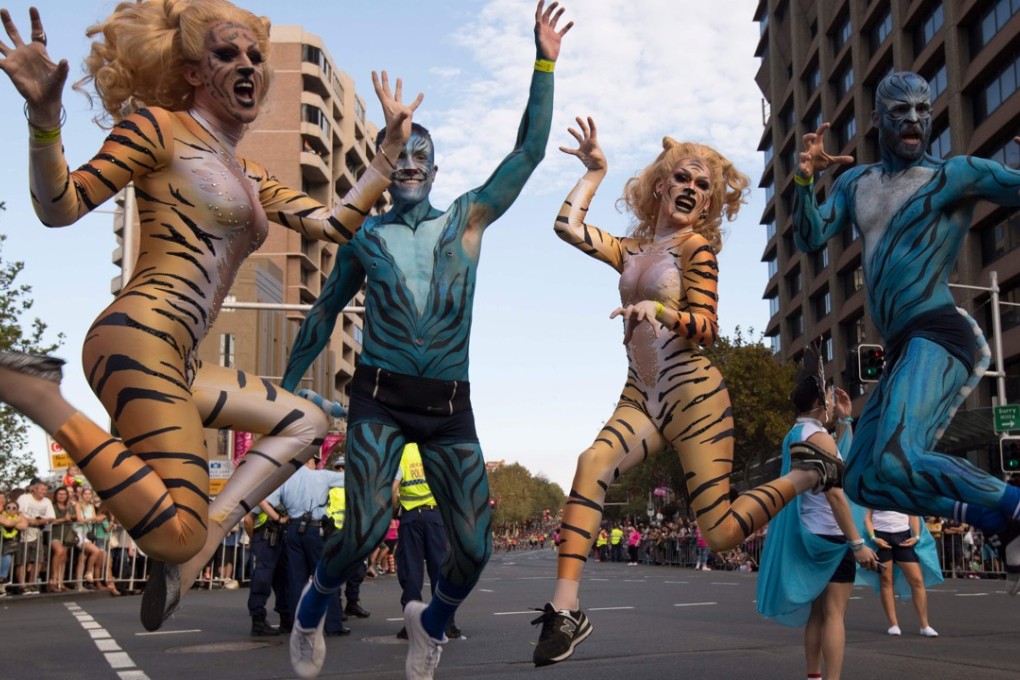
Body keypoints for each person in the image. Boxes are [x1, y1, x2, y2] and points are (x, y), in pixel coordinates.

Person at [0, 0, 419, 631]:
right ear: (194, 72)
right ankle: (38, 395)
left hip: (183, 361)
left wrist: (385, 156)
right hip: (139, 338)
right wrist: (43, 118)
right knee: (169, 533)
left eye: (255, 56)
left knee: (305, 419)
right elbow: (61, 205)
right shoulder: (157, 129)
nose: (248, 66)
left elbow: (334, 223)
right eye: (227, 54)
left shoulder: (247, 172)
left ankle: (196, 553)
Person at [279, 3, 572, 678]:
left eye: (422, 156)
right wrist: (286, 394)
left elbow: (528, 152)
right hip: (379, 397)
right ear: (390, 163)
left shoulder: (468, 220)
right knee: (360, 530)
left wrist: (545, 60)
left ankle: (431, 624)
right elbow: (323, 313)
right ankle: (313, 606)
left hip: (448, 404)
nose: (409, 164)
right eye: (401, 153)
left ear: (435, 171)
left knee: (475, 549)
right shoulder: (367, 236)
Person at [529, 116, 843, 667]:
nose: (691, 189)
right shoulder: (630, 249)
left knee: (719, 534)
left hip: (694, 395)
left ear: (706, 206)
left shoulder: (697, 249)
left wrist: (659, 309)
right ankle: (565, 609)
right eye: (683, 178)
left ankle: (804, 474)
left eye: (702, 187)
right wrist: (595, 173)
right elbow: (567, 227)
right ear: (660, 184)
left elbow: (707, 324)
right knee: (589, 463)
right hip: (640, 393)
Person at [791, 71, 1020, 591]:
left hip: (938, 332)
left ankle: (1014, 505)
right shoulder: (855, 183)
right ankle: (993, 521)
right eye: (900, 111)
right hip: (901, 348)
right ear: (877, 120)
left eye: (922, 108)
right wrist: (804, 178)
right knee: (868, 477)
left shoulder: (956, 175)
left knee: (902, 454)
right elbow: (809, 237)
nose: (914, 119)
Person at [756, 352, 880, 680]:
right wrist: (857, 543)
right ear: (816, 402)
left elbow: (835, 462)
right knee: (835, 614)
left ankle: (814, 676)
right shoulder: (819, 437)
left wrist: (843, 421)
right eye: (827, 396)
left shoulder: (795, 435)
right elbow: (836, 492)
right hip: (832, 536)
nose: (830, 400)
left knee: (818, 614)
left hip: (810, 531)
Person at [264, 453, 348, 637]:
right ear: (309, 461)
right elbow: (349, 479)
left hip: (293, 529)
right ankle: (333, 624)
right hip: (315, 531)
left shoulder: (285, 480)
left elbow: (264, 500)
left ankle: (299, 625)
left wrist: (279, 518)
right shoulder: (322, 475)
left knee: (296, 580)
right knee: (326, 576)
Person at [392, 443, 460, 641]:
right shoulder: (436, 451)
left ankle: (412, 625)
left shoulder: (402, 452)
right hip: (435, 516)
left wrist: (395, 510)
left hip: (411, 517)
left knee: (411, 572)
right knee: (440, 571)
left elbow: (393, 487)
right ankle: (446, 624)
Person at [863, 509, 941, 637]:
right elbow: (867, 517)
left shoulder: (902, 490)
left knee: (917, 580)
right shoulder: (873, 489)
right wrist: (873, 537)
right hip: (880, 537)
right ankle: (893, 624)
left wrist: (916, 536)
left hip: (903, 536)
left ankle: (924, 625)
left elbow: (913, 514)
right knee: (886, 580)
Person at [323, 456, 370, 623]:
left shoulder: (355, 486)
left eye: (345, 468)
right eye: (340, 468)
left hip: (353, 533)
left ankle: (352, 603)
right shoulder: (329, 487)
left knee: (358, 570)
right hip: (335, 532)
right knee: (336, 571)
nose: (342, 471)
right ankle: (336, 607)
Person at [245, 494, 290, 637]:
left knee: (283, 579)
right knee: (262, 579)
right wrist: (256, 541)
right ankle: (258, 621)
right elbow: (248, 520)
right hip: (266, 537)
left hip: (280, 538)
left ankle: (286, 618)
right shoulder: (268, 490)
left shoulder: (284, 490)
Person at [14, 478, 55, 594]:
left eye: (46, 490)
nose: (44, 492)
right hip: (23, 532)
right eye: (42, 489)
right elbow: (19, 513)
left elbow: (51, 517)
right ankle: (22, 585)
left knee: (39, 559)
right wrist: (33, 521)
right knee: (22, 560)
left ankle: (31, 584)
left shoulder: (47, 501)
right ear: (34, 489)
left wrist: (39, 521)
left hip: (38, 533)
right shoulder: (24, 498)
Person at [48, 485, 77, 592]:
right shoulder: (52, 506)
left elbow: (75, 517)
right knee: (59, 551)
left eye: (64, 494)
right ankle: (53, 579)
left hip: (67, 534)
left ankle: (60, 582)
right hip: (55, 533)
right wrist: (64, 519)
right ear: (56, 495)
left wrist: (71, 517)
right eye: (59, 494)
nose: (62, 496)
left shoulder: (69, 506)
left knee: (64, 557)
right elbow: (51, 520)